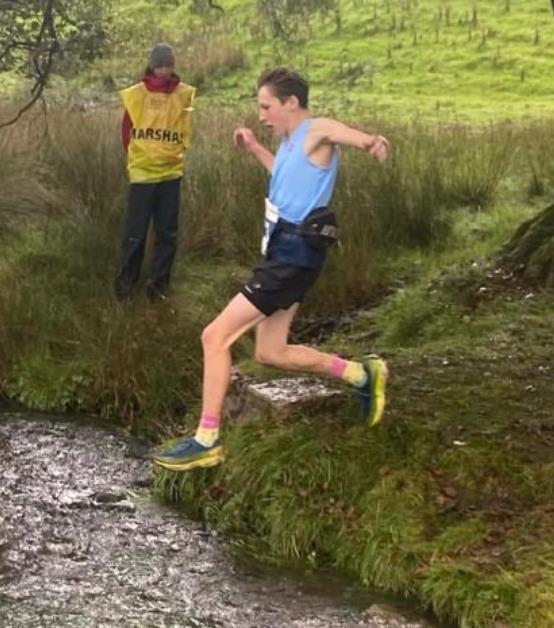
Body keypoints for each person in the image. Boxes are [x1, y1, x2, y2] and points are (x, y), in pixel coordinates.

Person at [153, 68, 390, 471]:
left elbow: (341, 132)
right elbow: (282, 177)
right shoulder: (289, 143)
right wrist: (252, 148)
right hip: (286, 253)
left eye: (266, 106)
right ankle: (362, 375)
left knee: (214, 337)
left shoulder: (315, 130)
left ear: (290, 103)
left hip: (293, 256)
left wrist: (369, 141)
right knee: (270, 351)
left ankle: (206, 439)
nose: (261, 115)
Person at [115, 43, 196, 301]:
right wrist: (138, 155)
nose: (163, 71)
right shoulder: (137, 94)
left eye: (168, 65)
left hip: (171, 173)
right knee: (135, 234)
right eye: (160, 65)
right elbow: (126, 131)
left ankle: (158, 287)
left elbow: (185, 128)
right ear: (152, 65)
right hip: (142, 174)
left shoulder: (183, 94)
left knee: (167, 233)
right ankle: (126, 287)